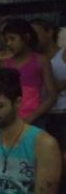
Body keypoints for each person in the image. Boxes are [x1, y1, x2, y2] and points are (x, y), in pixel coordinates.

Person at [1, 18, 57, 125]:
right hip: (13, 120)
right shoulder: (6, 64)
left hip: (36, 120)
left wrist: (31, 117)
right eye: (6, 40)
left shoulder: (41, 61)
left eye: (12, 39)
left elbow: (52, 96)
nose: (9, 43)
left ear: (26, 37)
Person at [31, 19, 66, 160]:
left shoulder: (63, 54)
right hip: (43, 115)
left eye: (35, 33)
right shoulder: (33, 60)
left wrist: (53, 85)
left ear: (49, 32)